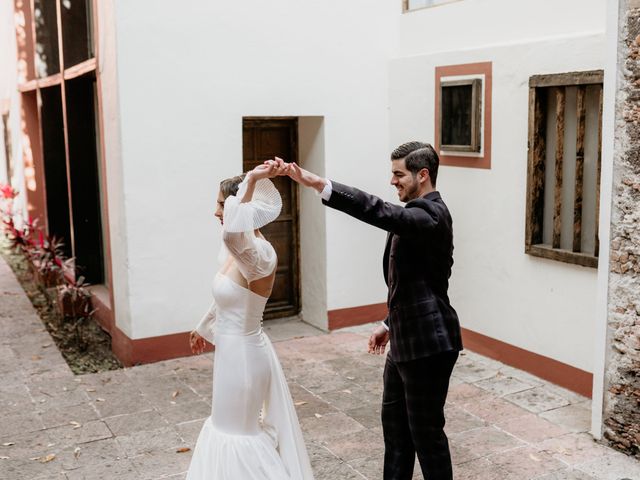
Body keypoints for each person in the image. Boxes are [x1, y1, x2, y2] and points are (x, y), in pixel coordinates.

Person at [278, 141, 463, 480]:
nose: (392, 181)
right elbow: (415, 281)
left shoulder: (429, 214)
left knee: (427, 437)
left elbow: (378, 210)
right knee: (396, 434)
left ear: (423, 175)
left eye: (399, 174)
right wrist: (388, 323)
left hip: (428, 346)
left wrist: (320, 184)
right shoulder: (416, 214)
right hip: (404, 341)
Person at [186, 162, 314, 480]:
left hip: (244, 357)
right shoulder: (235, 253)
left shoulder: (259, 254)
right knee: (223, 426)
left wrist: (254, 179)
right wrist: (203, 326)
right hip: (229, 354)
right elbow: (227, 297)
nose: (216, 211)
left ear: (239, 206)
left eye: (221, 203)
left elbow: (232, 233)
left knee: (237, 433)